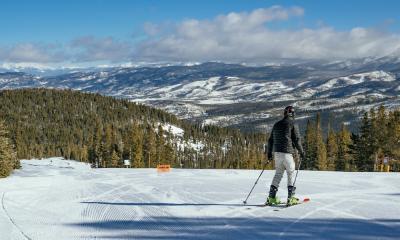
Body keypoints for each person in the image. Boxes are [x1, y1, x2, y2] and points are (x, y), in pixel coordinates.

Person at [266, 106, 305, 206]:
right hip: (287, 154)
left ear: (284, 113)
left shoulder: (277, 124)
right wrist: (302, 152)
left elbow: (270, 140)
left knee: (278, 174)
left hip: (277, 154)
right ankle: (290, 198)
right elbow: (296, 139)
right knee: (290, 173)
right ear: (293, 114)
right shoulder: (293, 123)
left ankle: (271, 198)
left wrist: (269, 154)